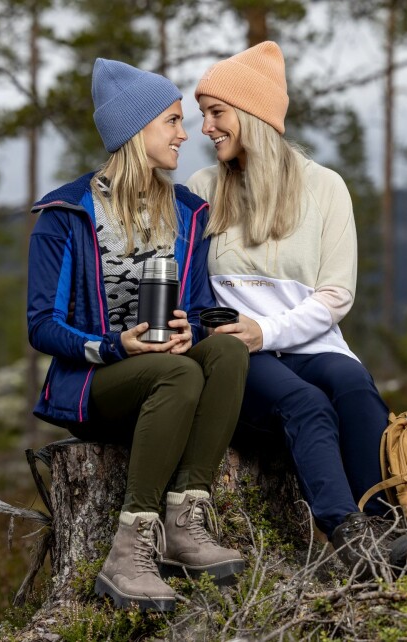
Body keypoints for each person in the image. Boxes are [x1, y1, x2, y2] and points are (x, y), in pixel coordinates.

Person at [27, 58, 249, 612]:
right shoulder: (66, 213)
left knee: (224, 349)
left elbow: (200, 309)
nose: (186, 133)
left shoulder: (188, 213)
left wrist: (188, 327)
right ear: (135, 130)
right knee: (177, 371)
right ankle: (129, 552)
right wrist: (111, 346)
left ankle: (186, 519)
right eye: (172, 121)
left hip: (166, 376)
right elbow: (41, 325)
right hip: (92, 384)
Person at [187, 41, 407, 577]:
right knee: (305, 403)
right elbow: (191, 290)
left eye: (217, 113)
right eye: (202, 115)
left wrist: (268, 330)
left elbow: (336, 295)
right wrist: (237, 337)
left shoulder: (325, 187)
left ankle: (385, 526)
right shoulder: (202, 189)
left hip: (302, 341)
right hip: (238, 353)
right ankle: (346, 533)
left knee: (353, 386)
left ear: (252, 114)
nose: (206, 127)